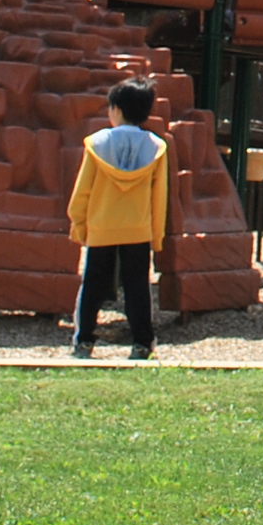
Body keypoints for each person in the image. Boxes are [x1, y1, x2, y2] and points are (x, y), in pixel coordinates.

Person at [67, 79, 168, 359]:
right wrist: (156, 235)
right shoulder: (156, 147)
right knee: (137, 286)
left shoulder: (96, 144)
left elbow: (82, 191)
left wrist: (79, 225)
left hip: (102, 226)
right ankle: (142, 343)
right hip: (138, 229)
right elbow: (159, 198)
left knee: (93, 284)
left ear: (117, 110)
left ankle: (84, 340)